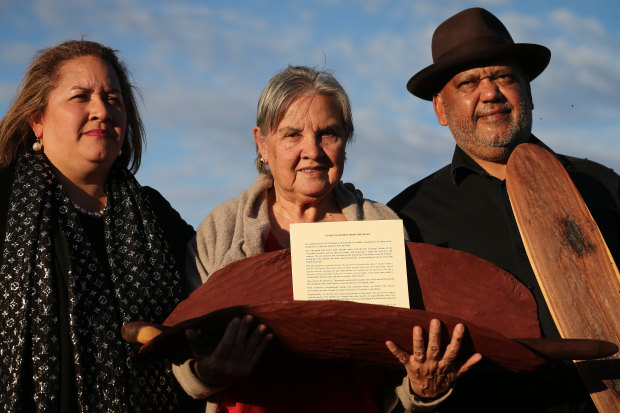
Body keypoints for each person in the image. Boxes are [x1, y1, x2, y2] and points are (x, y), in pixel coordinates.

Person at [173, 65, 480, 412]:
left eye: (328, 134)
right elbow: (182, 352)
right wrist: (208, 373)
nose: (313, 150)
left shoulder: (382, 225)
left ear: (345, 141)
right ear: (262, 143)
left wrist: (422, 389)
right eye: (292, 135)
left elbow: (409, 354)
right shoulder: (221, 229)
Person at [388, 7, 620, 412]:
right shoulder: (409, 218)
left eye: (503, 77)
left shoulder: (603, 186)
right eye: (468, 83)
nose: (490, 93)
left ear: (528, 90)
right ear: (441, 109)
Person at [0, 40, 201, 411]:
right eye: (81, 97)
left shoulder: (156, 215)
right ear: (38, 120)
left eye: (113, 99)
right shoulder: (5, 202)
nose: (102, 111)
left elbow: (216, 289)